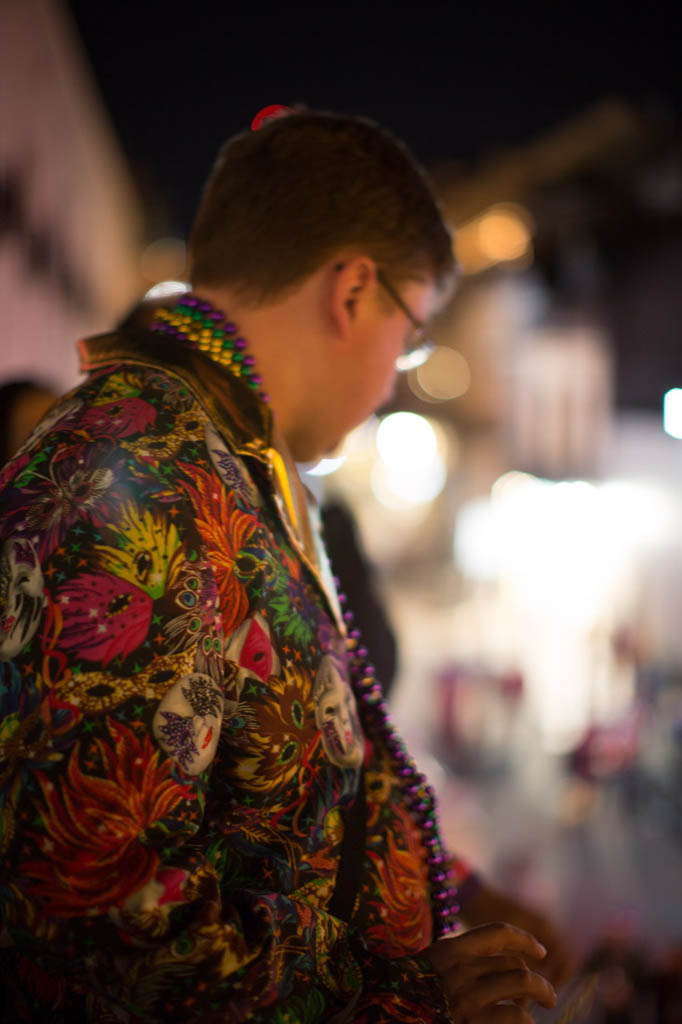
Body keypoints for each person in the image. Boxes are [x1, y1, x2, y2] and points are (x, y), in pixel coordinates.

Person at [0, 107, 567, 1022]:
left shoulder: (229, 459)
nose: (394, 375)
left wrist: (449, 892)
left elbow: (279, 784)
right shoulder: (137, 467)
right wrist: (398, 999)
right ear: (352, 290)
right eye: (412, 334)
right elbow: (80, 906)